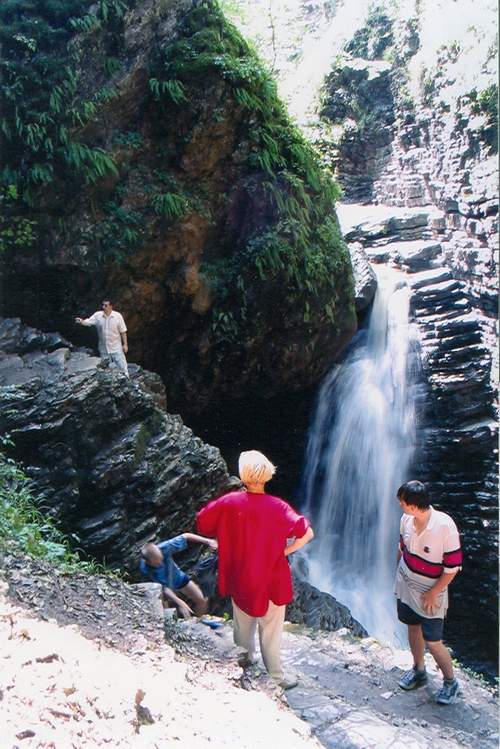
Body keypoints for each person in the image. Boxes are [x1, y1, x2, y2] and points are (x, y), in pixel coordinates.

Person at [196, 450, 314, 690]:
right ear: (267, 474)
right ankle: (276, 677)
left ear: (243, 474)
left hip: (241, 578)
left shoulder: (229, 502)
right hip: (272, 578)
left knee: (242, 628)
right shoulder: (278, 507)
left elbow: (203, 522)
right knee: (270, 631)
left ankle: (244, 667)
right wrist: (284, 552)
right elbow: (307, 533)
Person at [395, 480, 462, 705]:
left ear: (414, 506)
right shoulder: (406, 520)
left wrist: (434, 592)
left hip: (430, 592)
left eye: (403, 503)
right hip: (406, 584)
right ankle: (419, 670)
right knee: (413, 628)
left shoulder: (445, 527)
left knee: (433, 641)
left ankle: (450, 681)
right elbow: (401, 549)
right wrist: (397, 575)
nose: (400, 506)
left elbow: (452, 568)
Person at [140, 533, 218, 618]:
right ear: (149, 562)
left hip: (177, 578)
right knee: (165, 614)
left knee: (202, 600)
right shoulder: (145, 569)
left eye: (161, 559)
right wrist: (179, 602)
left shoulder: (164, 547)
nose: (161, 564)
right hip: (163, 590)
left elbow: (186, 536)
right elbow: (162, 588)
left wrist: (208, 541)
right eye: (157, 563)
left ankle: (199, 622)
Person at [75, 300, 129, 377]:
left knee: (123, 367)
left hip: (116, 347)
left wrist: (125, 345)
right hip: (104, 349)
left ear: (111, 306)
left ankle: (128, 380)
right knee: (107, 369)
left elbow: (123, 331)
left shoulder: (118, 316)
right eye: (103, 305)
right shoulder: (98, 316)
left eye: (106, 305)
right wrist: (82, 321)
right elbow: (89, 322)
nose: (103, 307)